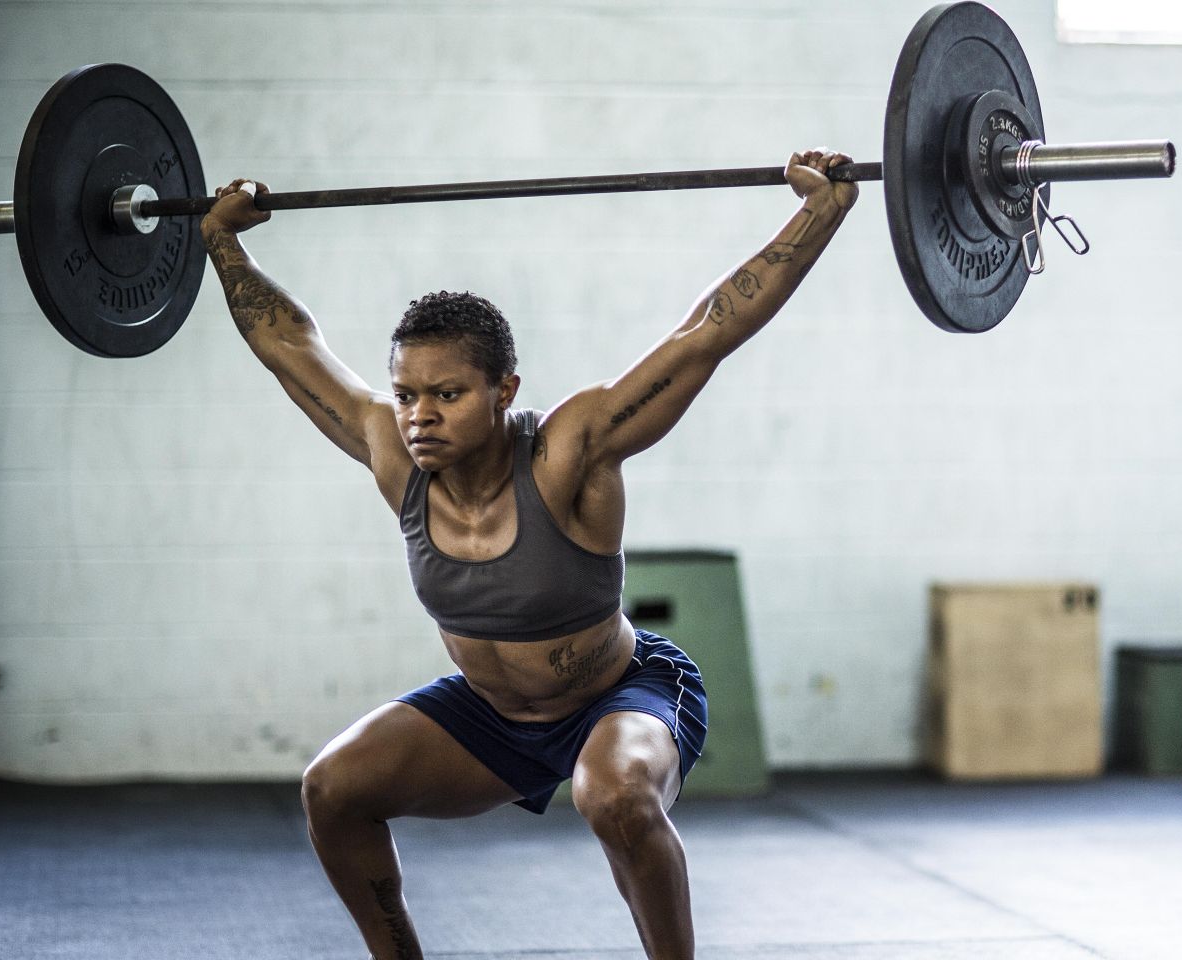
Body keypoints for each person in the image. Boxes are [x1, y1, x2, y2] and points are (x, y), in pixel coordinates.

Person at [198, 149, 857, 960]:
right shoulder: (395, 458)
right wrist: (222, 242)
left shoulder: (567, 452)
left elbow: (704, 336)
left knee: (611, 797)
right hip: (495, 718)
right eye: (406, 394)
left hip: (626, 694)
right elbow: (290, 347)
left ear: (503, 391)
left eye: (448, 393)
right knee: (332, 790)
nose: (419, 415)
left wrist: (821, 211)